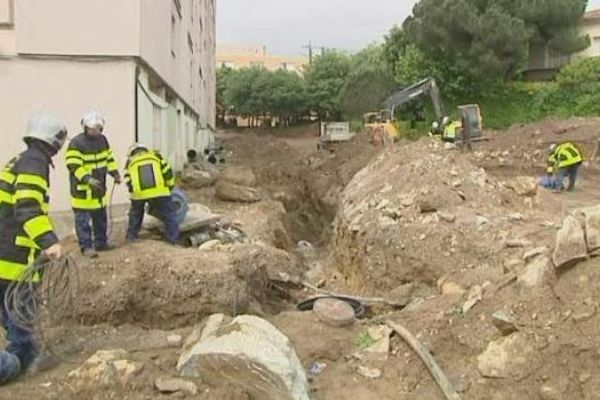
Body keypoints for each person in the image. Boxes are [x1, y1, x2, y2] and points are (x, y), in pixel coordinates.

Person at [0, 114, 66, 384]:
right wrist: (49, 242)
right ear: (53, 140)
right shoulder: (35, 163)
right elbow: (27, 207)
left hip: (3, 251)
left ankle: (23, 354)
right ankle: (17, 362)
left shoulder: (17, 160)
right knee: (20, 308)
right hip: (16, 257)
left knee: (8, 305)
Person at [65, 110, 121, 258]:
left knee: (100, 219)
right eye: (92, 128)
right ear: (85, 128)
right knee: (83, 222)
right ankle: (86, 247)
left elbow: (108, 159)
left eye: (98, 128)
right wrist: (87, 179)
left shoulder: (103, 140)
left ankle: (101, 243)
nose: (95, 131)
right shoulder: (76, 143)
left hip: (99, 190)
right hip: (82, 191)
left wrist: (114, 173)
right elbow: (73, 165)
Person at [124, 144, 179, 244]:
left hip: (139, 194)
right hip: (159, 191)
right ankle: (172, 240)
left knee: (135, 214)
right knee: (170, 215)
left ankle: (131, 237)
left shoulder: (130, 161)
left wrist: (133, 192)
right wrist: (170, 187)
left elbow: (127, 179)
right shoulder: (156, 156)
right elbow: (167, 172)